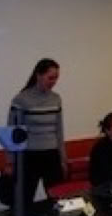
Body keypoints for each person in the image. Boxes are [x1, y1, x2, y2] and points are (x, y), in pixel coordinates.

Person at [5, 58, 67, 207]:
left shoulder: (56, 99)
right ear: (38, 75)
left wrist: (63, 159)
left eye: (56, 78)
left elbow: (59, 130)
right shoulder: (21, 99)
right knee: (24, 201)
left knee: (58, 201)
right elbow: (12, 132)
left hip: (52, 155)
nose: (54, 82)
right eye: (50, 78)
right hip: (29, 156)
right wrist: (10, 162)